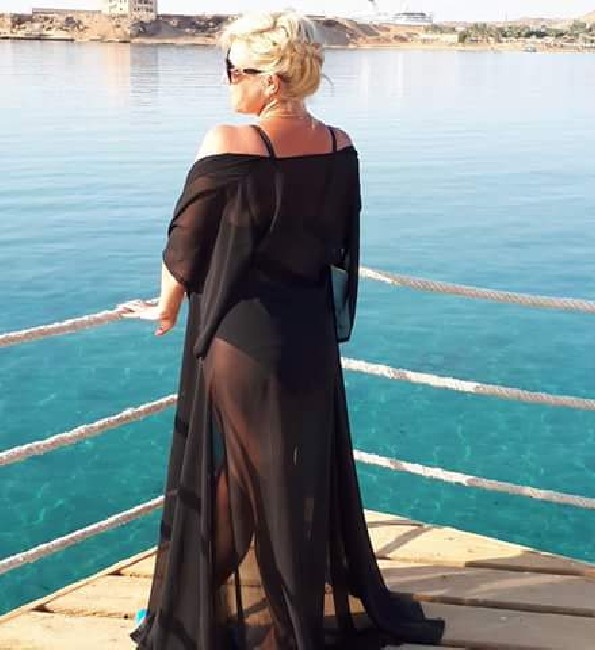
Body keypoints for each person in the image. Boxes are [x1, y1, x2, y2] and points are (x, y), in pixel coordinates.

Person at [131, 11, 445, 649]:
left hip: (244, 340)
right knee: (282, 481)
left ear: (271, 79)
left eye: (234, 70)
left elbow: (184, 249)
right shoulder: (339, 143)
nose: (227, 81)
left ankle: (218, 622)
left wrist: (164, 309)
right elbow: (338, 243)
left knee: (247, 486)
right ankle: (208, 611)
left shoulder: (231, 140)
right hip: (310, 337)